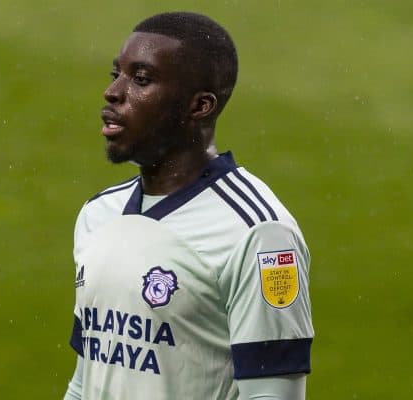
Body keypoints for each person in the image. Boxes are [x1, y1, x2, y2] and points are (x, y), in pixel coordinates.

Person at [63, 11, 314, 400]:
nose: (113, 92)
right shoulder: (99, 216)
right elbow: (87, 380)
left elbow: (271, 394)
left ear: (200, 106)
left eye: (141, 79)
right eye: (117, 74)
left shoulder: (258, 233)